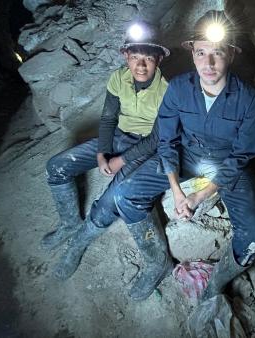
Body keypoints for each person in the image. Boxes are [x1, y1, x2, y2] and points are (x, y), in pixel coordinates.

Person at [113, 10, 255, 302]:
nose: (208, 63)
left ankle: (215, 286)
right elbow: (168, 141)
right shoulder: (178, 88)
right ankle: (157, 262)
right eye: (201, 53)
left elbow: (241, 156)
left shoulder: (248, 98)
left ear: (232, 55)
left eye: (217, 53)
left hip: (226, 165)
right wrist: (176, 190)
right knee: (124, 195)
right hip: (187, 156)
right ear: (193, 54)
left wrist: (200, 196)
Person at [42, 22, 169, 281]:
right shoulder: (118, 78)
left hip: (144, 148)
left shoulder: (167, 91)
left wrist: (120, 161)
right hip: (118, 138)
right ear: (126, 56)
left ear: (158, 59)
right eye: (135, 57)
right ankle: (69, 224)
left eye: (148, 58)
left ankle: (77, 245)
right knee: (57, 166)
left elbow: (157, 138)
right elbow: (109, 119)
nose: (141, 65)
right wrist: (102, 153)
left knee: (111, 200)